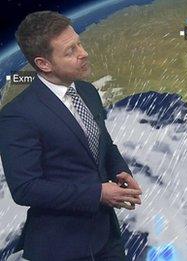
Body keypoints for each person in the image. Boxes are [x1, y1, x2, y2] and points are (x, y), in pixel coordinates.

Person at [0, 11, 142, 260]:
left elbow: (103, 142)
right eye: (70, 51)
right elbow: (25, 189)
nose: (83, 53)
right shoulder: (18, 116)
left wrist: (120, 169)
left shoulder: (87, 92)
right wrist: (97, 193)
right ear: (44, 64)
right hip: (61, 247)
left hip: (107, 238)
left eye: (79, 43)